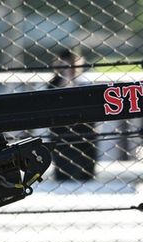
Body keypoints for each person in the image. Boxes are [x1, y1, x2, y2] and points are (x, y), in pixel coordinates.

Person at [47, 48, 98, 181]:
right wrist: (66, 78)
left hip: (83, 127)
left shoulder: (84, 82)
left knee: (85, 167)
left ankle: (85, 174)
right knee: (63, 167)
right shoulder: (54, 83)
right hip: (62, 128)